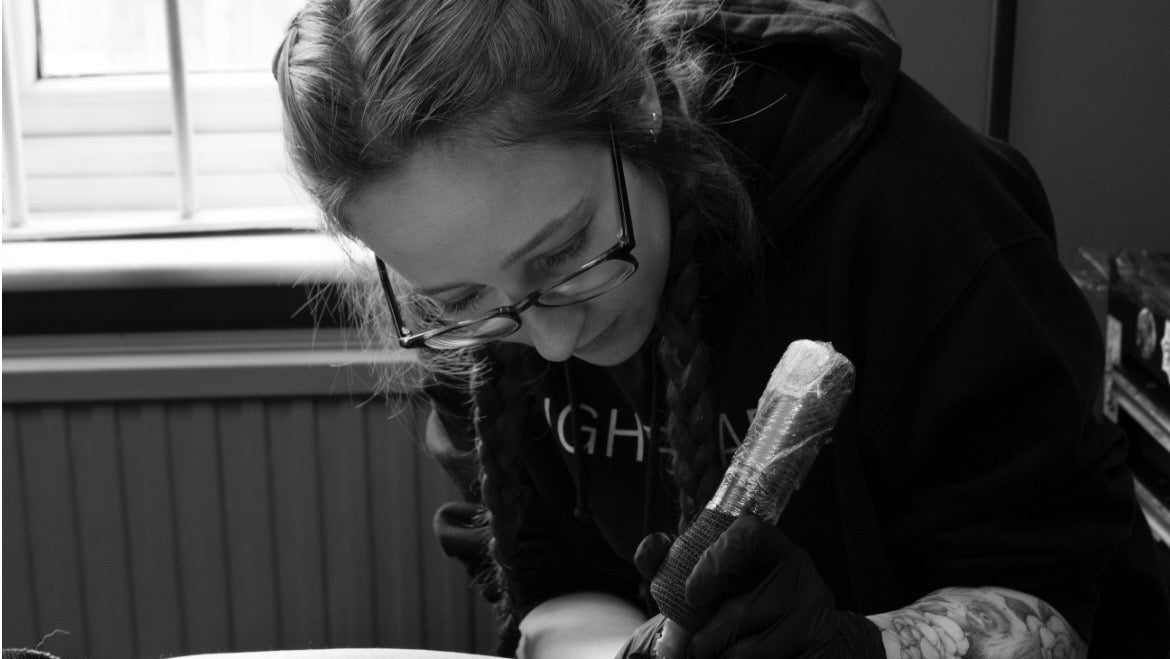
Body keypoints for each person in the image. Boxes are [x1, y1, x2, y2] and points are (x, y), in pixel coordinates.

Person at [272, 0, 1170, 657]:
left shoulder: (918, 213)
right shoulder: (466, 315)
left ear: (637, 106)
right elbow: (552, 578)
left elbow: (1059, 606)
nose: (549, 342)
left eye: (567, 252)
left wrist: (857, 646)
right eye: (465, 297)